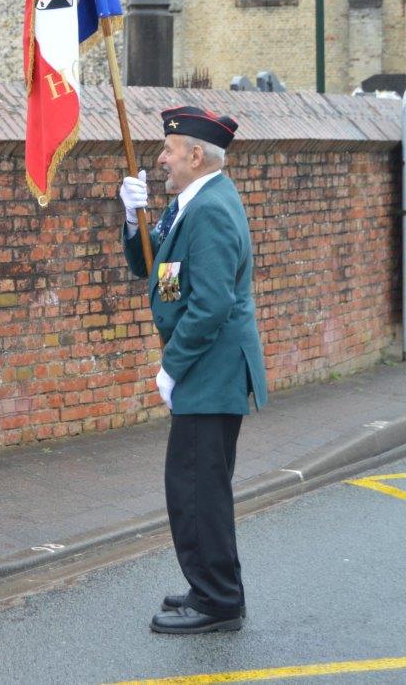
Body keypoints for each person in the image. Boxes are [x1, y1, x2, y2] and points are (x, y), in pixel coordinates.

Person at [118, 105, 268, 634]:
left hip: (211, 370)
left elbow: (211, 304)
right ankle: (209, 586)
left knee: (198, 490)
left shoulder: (211, 210)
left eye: (168, 149)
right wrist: (130, 217)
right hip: (203, 369)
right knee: (192, 486)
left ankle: (220, 601)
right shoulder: (190, 204)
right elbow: (155, 268)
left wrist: (171, 366)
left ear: (196, 155)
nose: (160, 158)